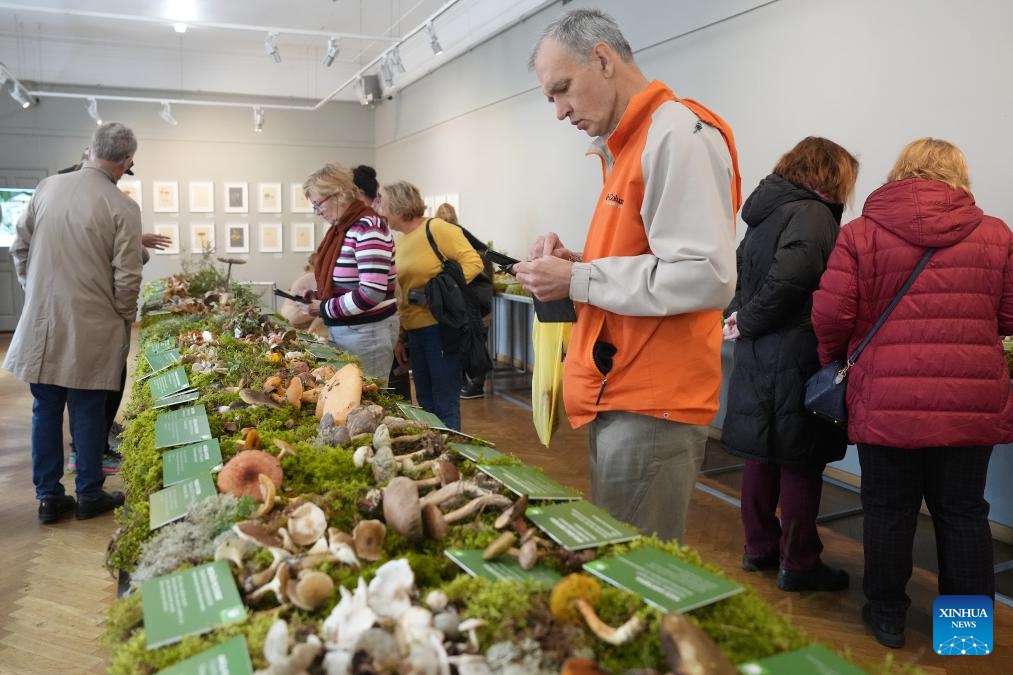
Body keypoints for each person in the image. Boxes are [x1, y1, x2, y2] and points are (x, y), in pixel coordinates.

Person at [512, 9, 740, 542]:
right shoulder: (630, 146)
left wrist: (578, 281)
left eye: (562, 90)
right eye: (550, 98)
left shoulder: (675, 135)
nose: (560, 111)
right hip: (625, 392)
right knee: (622, 559)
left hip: (651, 399)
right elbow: (647, 257)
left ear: (602, 58)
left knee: (637, 574)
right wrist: (574, 266)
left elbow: (705, 275)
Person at [812, 138, 1013, 648]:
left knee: (888, 509)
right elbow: (1010, 318)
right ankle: (963, 637)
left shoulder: (861, 233)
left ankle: (886, 618)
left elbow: (831, 314)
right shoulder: (995, 235)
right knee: (963, 512)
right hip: (971, 401)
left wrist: (834, 362)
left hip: (885, 399)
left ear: (902, 171)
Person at [721, 137, 858, 593]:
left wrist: (741, 320)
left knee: (763, 455)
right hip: (794, 352)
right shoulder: (814, 214)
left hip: (757, 350)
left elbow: (740, 274)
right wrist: (753, 319)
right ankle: (798, 561)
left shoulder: (768, 212)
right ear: (828, 174)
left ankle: (759, 547)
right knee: (800, 458)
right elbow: (792, 278)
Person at [3, 121, 144, 523]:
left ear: (89, 149)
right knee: (87, 411)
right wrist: (123, 315)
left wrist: (34, 290)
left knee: (44, 410)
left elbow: (20, 247)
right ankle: (88, 494)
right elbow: (127, 276)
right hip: (93, 326)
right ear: (126, 161)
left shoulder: (48, 187)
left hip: (43, 322)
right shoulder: (123, 207)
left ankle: (48, 498)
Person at [379, 181, 484, 431]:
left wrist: (438, 293)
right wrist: (400, 337)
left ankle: (451, 455)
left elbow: (473, 263)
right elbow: (403, 294)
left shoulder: (435, 228)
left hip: (441, 328)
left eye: (382, 203)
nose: (379, 209)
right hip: (414, 332)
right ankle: (435, 452)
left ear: (398, 205)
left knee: (445, 401)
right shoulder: (400, 241)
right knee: (425, 400)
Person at [303, 162, 399, 386]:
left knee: (368, 399)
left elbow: (371, 292)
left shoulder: (368, 228)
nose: (319, 212)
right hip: (351, 331)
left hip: (367, 333)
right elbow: (347, 282)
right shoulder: (343, 229)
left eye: (319, 205)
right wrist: (319, 295)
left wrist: (324, 307)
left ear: (338, 194)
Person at [434, 202, 490, 400]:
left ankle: (475, 384)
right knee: (472, 340)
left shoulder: (451, 235)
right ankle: (469, 383)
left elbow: (480, 258)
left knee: (471, 341)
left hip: (470, 298)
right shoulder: (461, 234)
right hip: (471, 297)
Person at [279, 252, 327, 337]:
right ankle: (311, 333)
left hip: (287, 312)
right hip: (295, 313)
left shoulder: (305, 274)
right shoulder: (313, 277)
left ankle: (311, 333)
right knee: (325, 308)